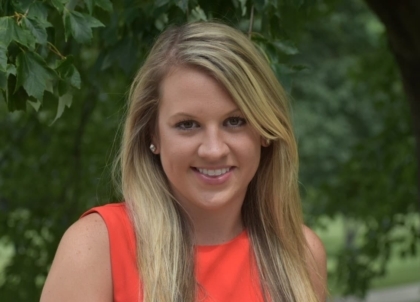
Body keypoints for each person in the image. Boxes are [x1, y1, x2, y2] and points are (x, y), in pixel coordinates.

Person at [40, 21, 327, 302]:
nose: (213, 150)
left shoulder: (299, 253)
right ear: (153, 133)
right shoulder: (96, 247)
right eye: (187, 124)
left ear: (265, 131)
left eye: (235, 121)